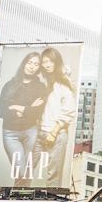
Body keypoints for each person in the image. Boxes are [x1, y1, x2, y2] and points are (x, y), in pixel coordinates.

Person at [0, 51, 46, 187]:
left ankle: (18, 199)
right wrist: (27, 108)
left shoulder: (41, 87)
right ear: (24, 63)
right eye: (30, 62)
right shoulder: (9, 85)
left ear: (39, 68)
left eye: (36, 64)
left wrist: (16, 107)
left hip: (31, 132)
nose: (32, 66)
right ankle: (21, 198)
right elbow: (2, 111)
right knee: (22, 171)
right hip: (10, 133)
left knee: (25, 173)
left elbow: (37, 112)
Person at [33, 47, 76, 187]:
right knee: (24, 170)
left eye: (50, 61)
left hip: (56, 134)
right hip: (38, 132)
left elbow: (69, 111)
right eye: (44, 61)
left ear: (56, 62)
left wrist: (54, 132)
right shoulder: (42, 81)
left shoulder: (64, 83)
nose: (47, 64)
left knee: (53, 177)